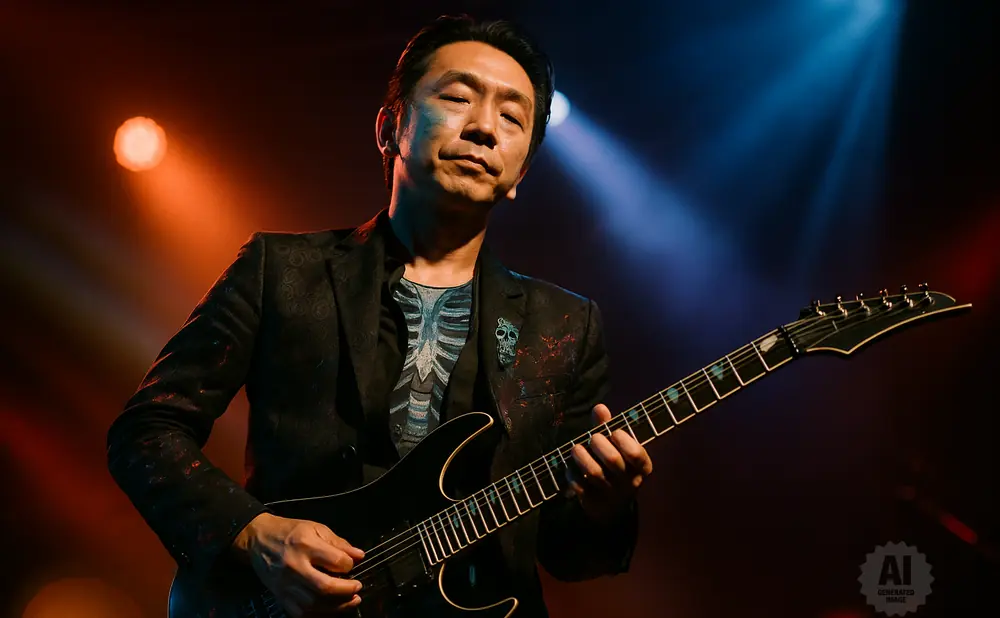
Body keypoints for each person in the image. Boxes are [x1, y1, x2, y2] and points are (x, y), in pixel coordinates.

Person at [107, 14, 653, 617]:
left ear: (521, 172)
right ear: (390, 128)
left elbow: (571, 556)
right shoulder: (281, 271)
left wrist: (605, 505)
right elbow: (146, 434)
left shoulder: (565, 326)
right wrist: (254, 533)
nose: (483, 128)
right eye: (457, 97)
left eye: (512, 116)